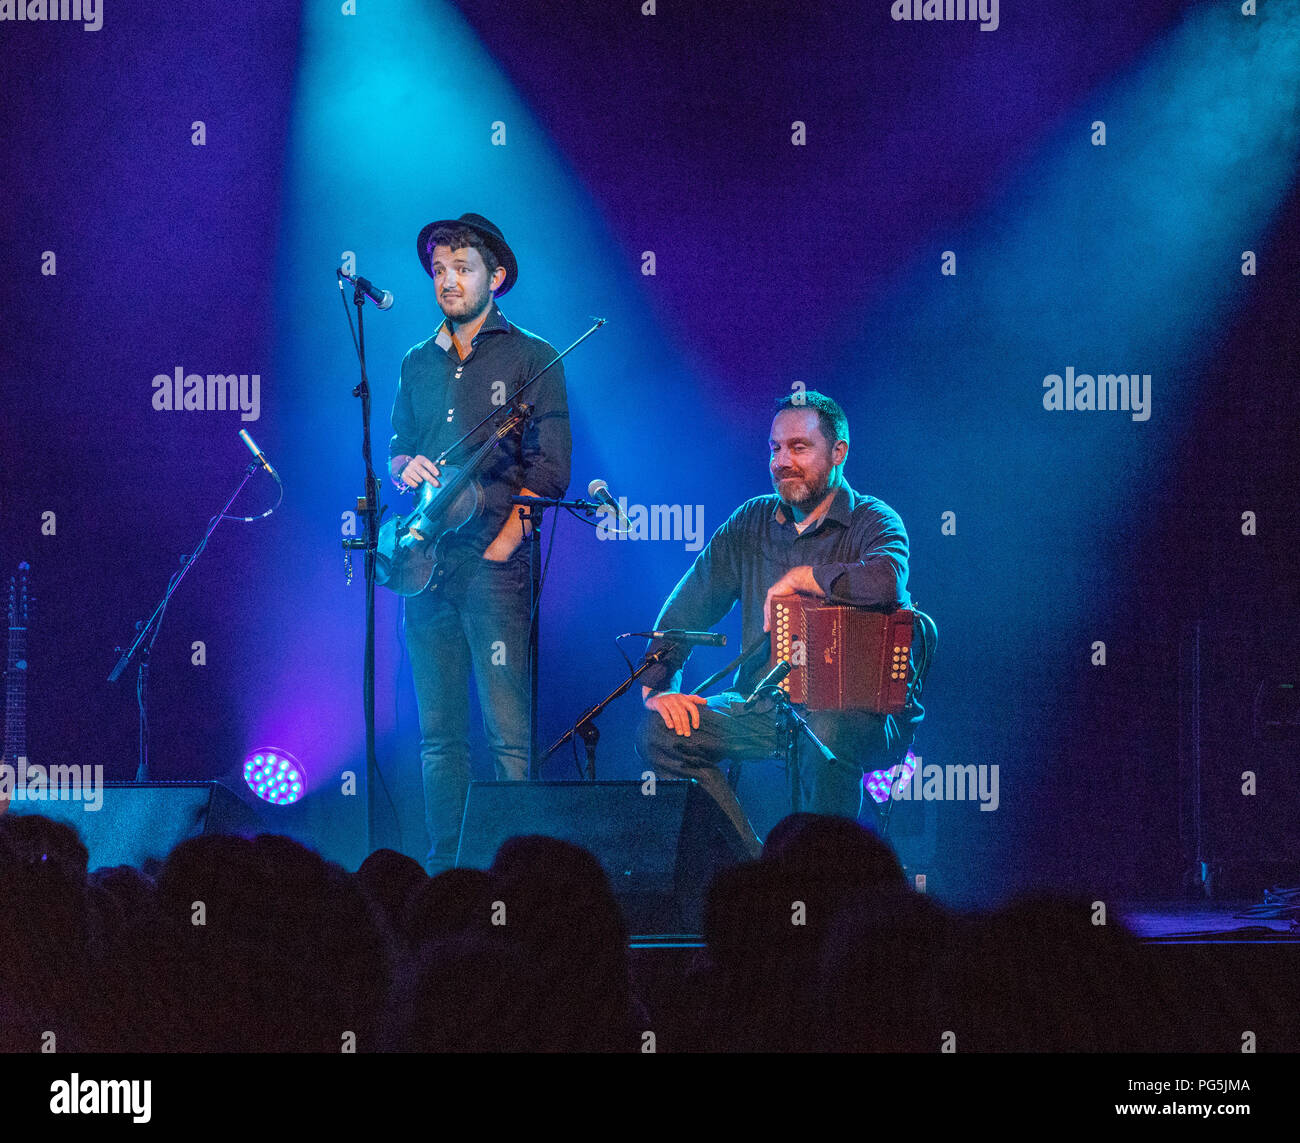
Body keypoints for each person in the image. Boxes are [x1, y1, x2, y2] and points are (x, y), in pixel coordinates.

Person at [635, 391, 922, 855]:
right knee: (661, 733)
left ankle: (822, 881)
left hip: (858, 712)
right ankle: (757, 863)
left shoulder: (875, 520)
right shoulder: (750, 521)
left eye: (799, 448)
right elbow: (689, 605)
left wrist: (804, 577)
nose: (782, 461)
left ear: (838, 453)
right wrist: (657, 686)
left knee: (826, 730)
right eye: (775, 449)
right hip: (763, 707)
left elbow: (886, 581)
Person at [389, 212, 571, 873]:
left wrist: (503, 547)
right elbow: (398, 443)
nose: (447, 281)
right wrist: (402, 463)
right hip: (423, 562)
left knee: (509, 738)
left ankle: (517, 872)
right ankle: (446, 868)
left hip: (495, 565)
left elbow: (551, 470)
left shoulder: (532, 355)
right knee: (439, 739)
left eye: (461, 268)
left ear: (495, 276)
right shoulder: (415, 360)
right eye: (438, 269)